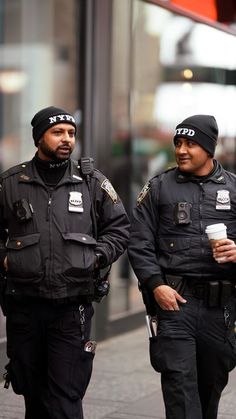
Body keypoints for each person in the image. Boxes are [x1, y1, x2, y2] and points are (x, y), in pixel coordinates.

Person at [0, 106, 130, 419]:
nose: (67, 139)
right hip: (24, 308)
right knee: (32, 394)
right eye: (58, 132)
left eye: (71, 133)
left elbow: (120, 228)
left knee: (65, 399)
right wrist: (5, 259)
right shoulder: (10, 183)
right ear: (38, 138)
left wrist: (97, 256)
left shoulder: (92, 182)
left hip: (72, 309)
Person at [128, 114, 236, 419]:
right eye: (178, 142)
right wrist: (155, 284)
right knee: (179, 388)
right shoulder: (159, 187)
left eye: (191, 143)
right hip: (176, 305)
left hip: (222, 310)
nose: (181, 149)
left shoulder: (234, 188)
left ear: (209, 148)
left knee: (209, 391)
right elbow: (139, 242)